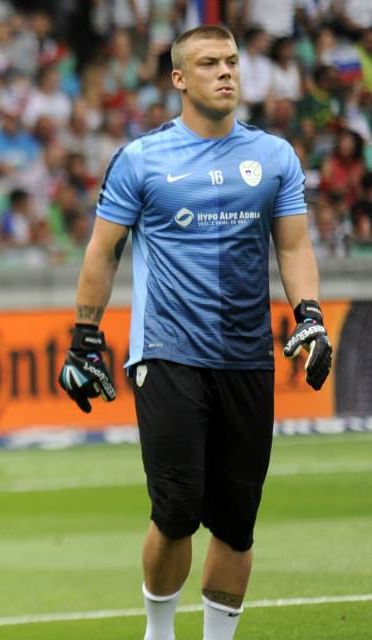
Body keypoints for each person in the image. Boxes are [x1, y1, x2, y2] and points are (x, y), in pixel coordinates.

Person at [57, 25, 332, 640]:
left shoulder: (275, 158)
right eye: (210, 63)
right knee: (177, 510)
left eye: (232, 61)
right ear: (179, 79)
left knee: (237, 522)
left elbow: (293, 246)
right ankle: (159, 632)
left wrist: (309, 315)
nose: (227, 72)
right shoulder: (141, 160)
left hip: (248, 358)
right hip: (168, 353)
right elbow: (102, 252)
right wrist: (84, 338)